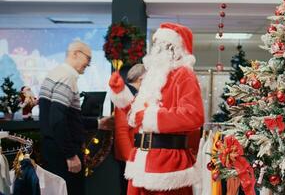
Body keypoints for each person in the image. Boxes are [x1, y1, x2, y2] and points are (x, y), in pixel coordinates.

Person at [109, 22, 204, 195]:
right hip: (141, 160)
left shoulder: (184, 75)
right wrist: (121, 94)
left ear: (177, 49)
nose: (158, 50)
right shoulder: (153, 77)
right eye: (157, 45)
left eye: (164, 45)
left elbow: (194, 115)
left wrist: (151, 117)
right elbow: (138, 115)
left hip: (167, 164)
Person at [39, 40, 113, 195]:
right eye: (88, 58)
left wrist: (98, 123)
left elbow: (67, 119)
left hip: (52, 149)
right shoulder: (67, 77)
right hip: (62, 153)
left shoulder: (55, 73)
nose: (89, 64)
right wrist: (70, 155)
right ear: (75, 54)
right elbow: (58, 120)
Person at [114, 64, 146, 195]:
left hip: (135, 155)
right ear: (141, 79)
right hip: (130, 156)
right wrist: (130, 159)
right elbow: (121, 131)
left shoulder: (134, 95)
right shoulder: (125, 97)